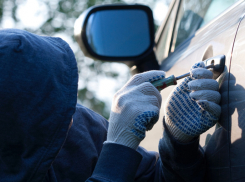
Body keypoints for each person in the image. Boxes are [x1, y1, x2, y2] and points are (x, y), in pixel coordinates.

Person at [0, 29, 221, 182]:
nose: (67, 115)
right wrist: (118, 150)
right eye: (43, 106)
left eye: (57, 93)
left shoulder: (76, 128)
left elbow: (155, 179)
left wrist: (178, 143)